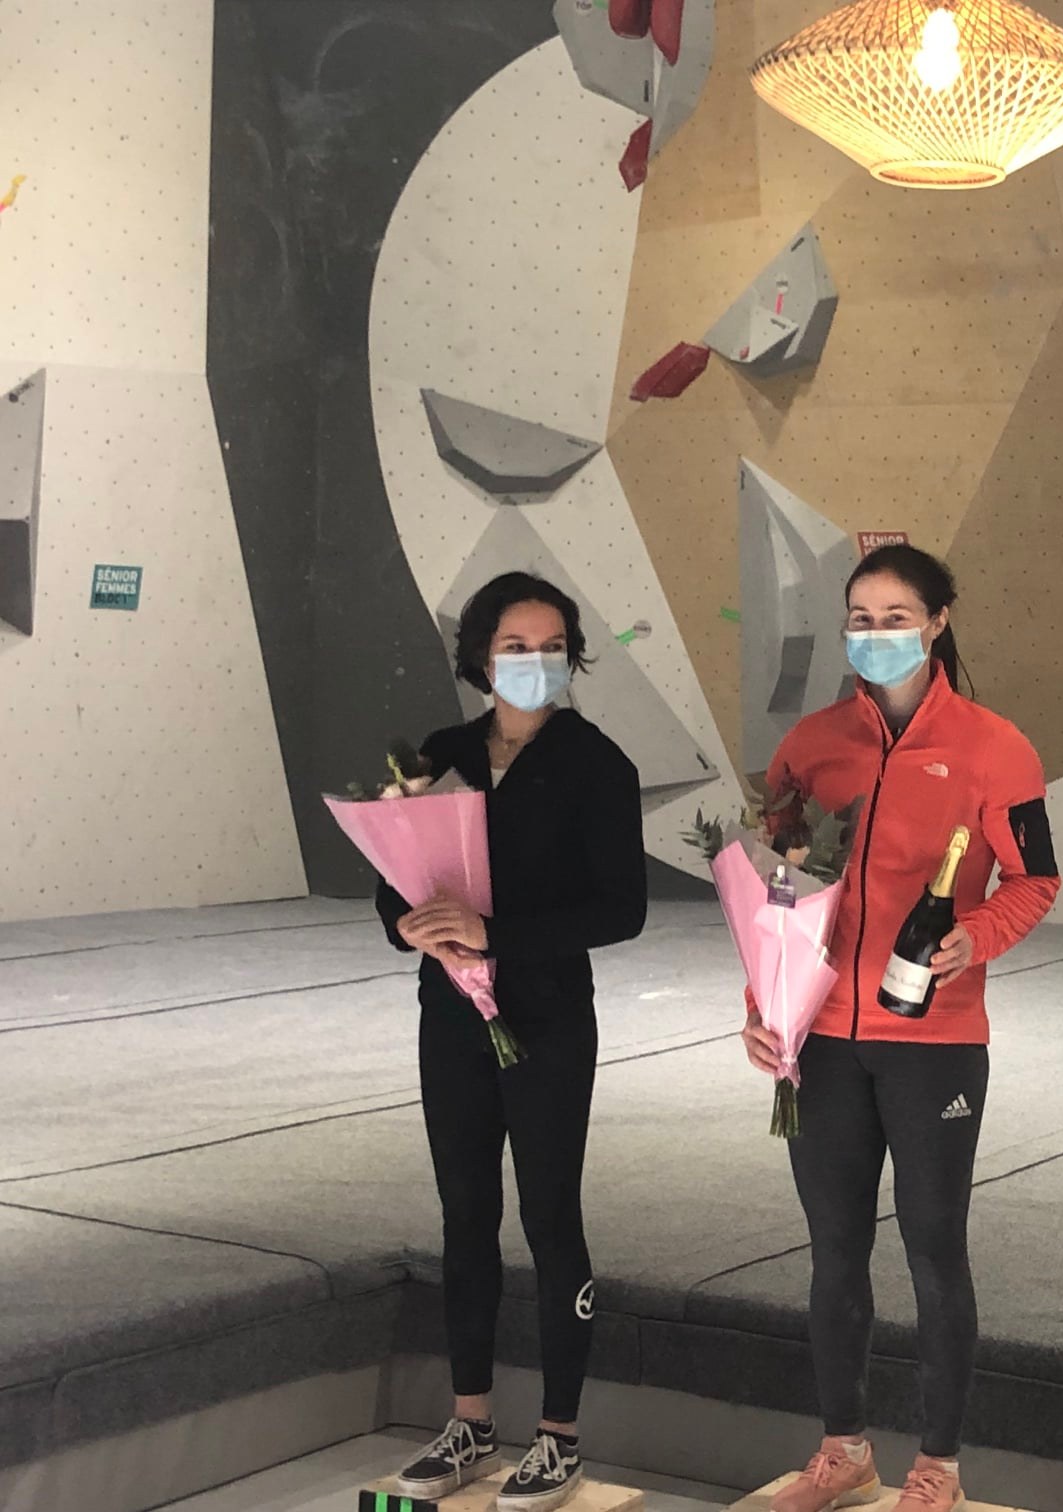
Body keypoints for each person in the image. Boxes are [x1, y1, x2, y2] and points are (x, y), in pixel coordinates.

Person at [742, 544, 1061, 1512]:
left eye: (894, 617)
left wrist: (978, 934)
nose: (873, 635)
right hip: (823, 1042)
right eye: (859, 617)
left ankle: (939, 1468)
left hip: (935, 1044)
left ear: (938, 621)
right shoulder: (809, 744)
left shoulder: (997, 747)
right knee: (834, 1247)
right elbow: (773, 888)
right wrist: (764, 1005)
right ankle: (845, 1449)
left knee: (933, 1246)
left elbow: (1035, 878)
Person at [375, 572, 647, 1512]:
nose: (533, 663)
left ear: (572, 654)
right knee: (463, 1214)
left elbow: (623, 909)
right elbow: (397, 876)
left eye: (549, 645)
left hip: (546, 1019)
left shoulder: (597, 764)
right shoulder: (443, 753)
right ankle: (469, 1421)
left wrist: (502, 935)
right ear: (480, 658)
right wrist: (402, 923)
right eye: (512, 647)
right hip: (448, 1016)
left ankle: (560, 1435)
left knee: (548, 1217)